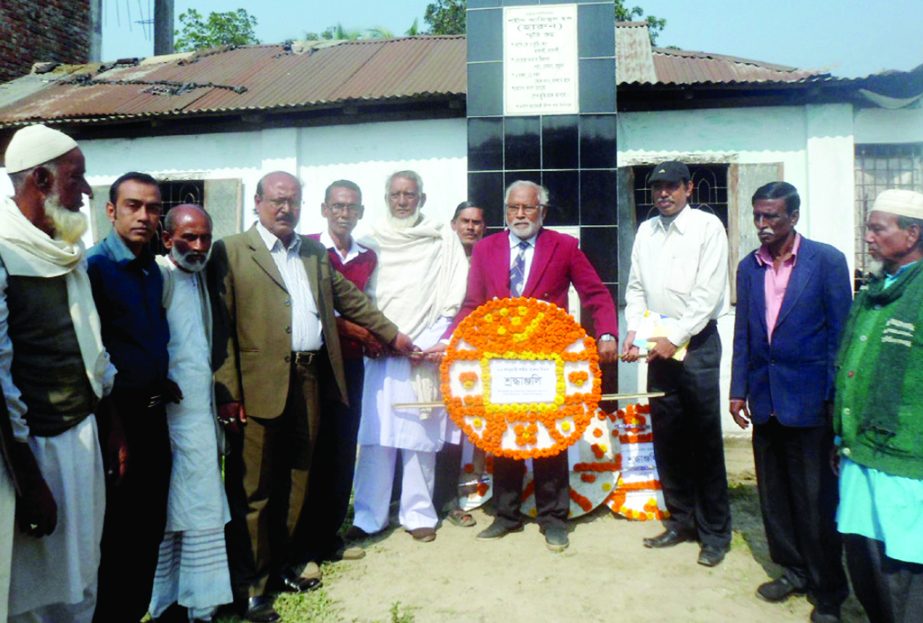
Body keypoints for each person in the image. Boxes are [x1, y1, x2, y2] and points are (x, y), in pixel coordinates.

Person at [210, 171, 412, 623]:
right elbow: (220, 326)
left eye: (293, 201)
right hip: (256, 385)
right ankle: (251, 588)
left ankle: (287, 562)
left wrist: (397, 337)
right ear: (258, 202)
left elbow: (353, 302)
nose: (286, 209)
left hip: (308, 380)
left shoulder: (313, 252)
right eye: (278, 201)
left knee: (300, 479)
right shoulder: (231, 251)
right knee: (254, 490)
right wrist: (228, 391)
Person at [428, 180, 618, 552]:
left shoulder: (564, 247)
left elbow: (595, 292)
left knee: (550, 436)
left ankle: (553, 518)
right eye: (513, 208)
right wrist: (452, 340)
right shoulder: (486, 249)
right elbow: (472, 303)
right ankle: (506, 515)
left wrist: (608, 332)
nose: (519, 215)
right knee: (505, 434)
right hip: (499, 361)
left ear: (542, 212)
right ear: (505, 210)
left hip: (549, 361)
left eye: (527, 208)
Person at [0, 124, 117, 622]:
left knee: (81, 576)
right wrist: (30, 483)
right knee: (29, 589)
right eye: (77, 178)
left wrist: (111, 425)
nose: (87, 191)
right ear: (42, 181)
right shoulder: (5, 252)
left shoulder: (65, 245)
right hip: (26, 454)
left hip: (81, 436)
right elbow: (0, 381)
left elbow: (91, 348)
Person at [729, 182, 850, 622]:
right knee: (774, 495)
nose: (762, 225)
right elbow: (744, 330)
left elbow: (841, 336)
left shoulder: (827, 262)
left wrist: (834, 401)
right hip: (766, 399)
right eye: (758, 216)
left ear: (793, 217)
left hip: (810, 402)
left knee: (816, 499)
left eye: (772, 217)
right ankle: (794, 570)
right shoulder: (749, 267)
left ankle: (829, 590)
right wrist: (738, 389)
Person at [622, 160, 732, 567]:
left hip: (696, 344)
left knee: (703, 439)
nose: (663, 194)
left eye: (671, 186)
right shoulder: (647, 231)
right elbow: (635, 288)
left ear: (689, 188)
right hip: (657, 344)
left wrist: (676, 338)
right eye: (657, 188)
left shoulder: (707, 227)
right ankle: (681, 520)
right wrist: (634, 329)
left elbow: (708, 295)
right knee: (667, 436)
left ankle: (715, 533)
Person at [349, 170, 469, 544]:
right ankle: (369, 516)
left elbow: (454, 289)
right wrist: (381, 337)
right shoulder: (370, 240)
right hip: (380, 349)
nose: (403, 202)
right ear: (386, 197)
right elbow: (361, 294)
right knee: (376, 436)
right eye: (396, 195)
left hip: (424, 349)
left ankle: (418, 513)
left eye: (410, 195)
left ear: (422, 198)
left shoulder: (440, 238)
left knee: (419, 434)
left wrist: (429, 340)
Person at [88, 171, 175, 623]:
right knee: (116, 535)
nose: (144, 216)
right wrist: (113, 427)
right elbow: (94, 356)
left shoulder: (151, 270)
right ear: (111, 211)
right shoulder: (95, 269)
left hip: (154, 415)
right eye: (133, 206)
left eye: (153, 207)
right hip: (116, 422)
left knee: (148, 529)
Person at [834, 188, 923, 623]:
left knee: (903, 572)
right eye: (868, 227)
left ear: (912, 234)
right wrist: (839, 432)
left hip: (903, 461)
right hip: (858, 453)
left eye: (877, 228)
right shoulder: (873, 290)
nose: (868, 237)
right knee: (864, 560)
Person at [148, 204, 233, 622]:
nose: (198, 247)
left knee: (201, 508)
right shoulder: (158, 278)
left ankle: (202, 601)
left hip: (201, 416)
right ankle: (163, 602)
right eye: (188, 238)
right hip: (166, 419)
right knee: (168, 513)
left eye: (205, 238)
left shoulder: (202, 279)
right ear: (167, 240)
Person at [295, 180, 382, 564]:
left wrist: (376, 335)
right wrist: (355, 329)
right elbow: (309, 305)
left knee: (344, 448)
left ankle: (329, 538)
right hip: (316, 361)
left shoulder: (367, 257)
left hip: (351, 363)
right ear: (324, 209)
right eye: (337, 207)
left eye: (351, 208)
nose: (344, 214)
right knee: (314, 449)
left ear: (361, 212)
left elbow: (367, 304)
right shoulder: (307, 249)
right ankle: (305, 544)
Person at [431, 200, 487, 528]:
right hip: (443, 341)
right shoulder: (440, 259)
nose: (470, 227)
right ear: (453, 224)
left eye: (477, 222)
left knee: (476, 424)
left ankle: (477, 491)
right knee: (445, 423)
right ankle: (444, 498)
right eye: (464, 221)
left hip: (481, 348)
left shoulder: (492, 255)